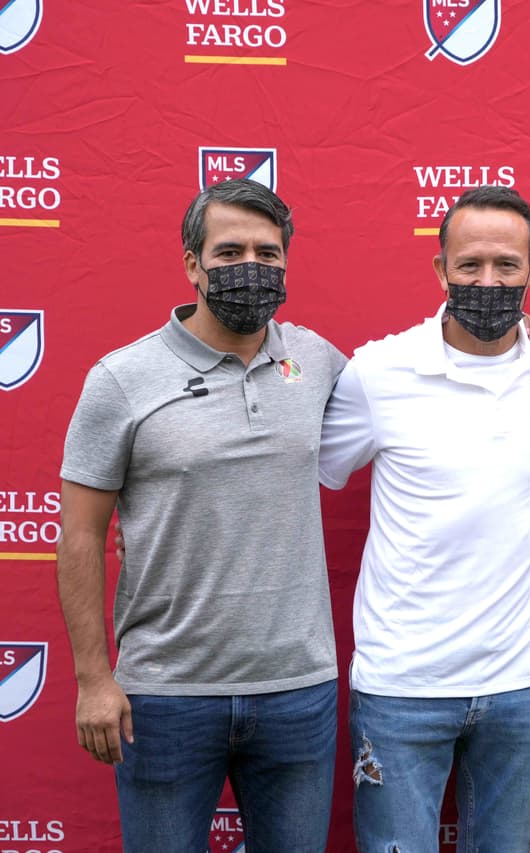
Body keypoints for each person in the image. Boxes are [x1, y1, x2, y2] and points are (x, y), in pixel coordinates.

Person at [56, 179, 346, 852]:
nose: (253, 266)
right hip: (164, 694)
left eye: (269, 253)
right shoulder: (123, 378)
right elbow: (79, 535)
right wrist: (94, 678)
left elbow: (414, 393)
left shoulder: (318, 360)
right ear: (192, 263)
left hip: (296, 690)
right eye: (231, 250)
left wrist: (518, 336)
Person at [318, 185, 530, 852]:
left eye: (507, 265)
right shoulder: (380, 371)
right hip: (401, 688)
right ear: (440, 270)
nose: (488, 280)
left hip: (522, 685)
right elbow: (300, 468)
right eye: (469, 265)